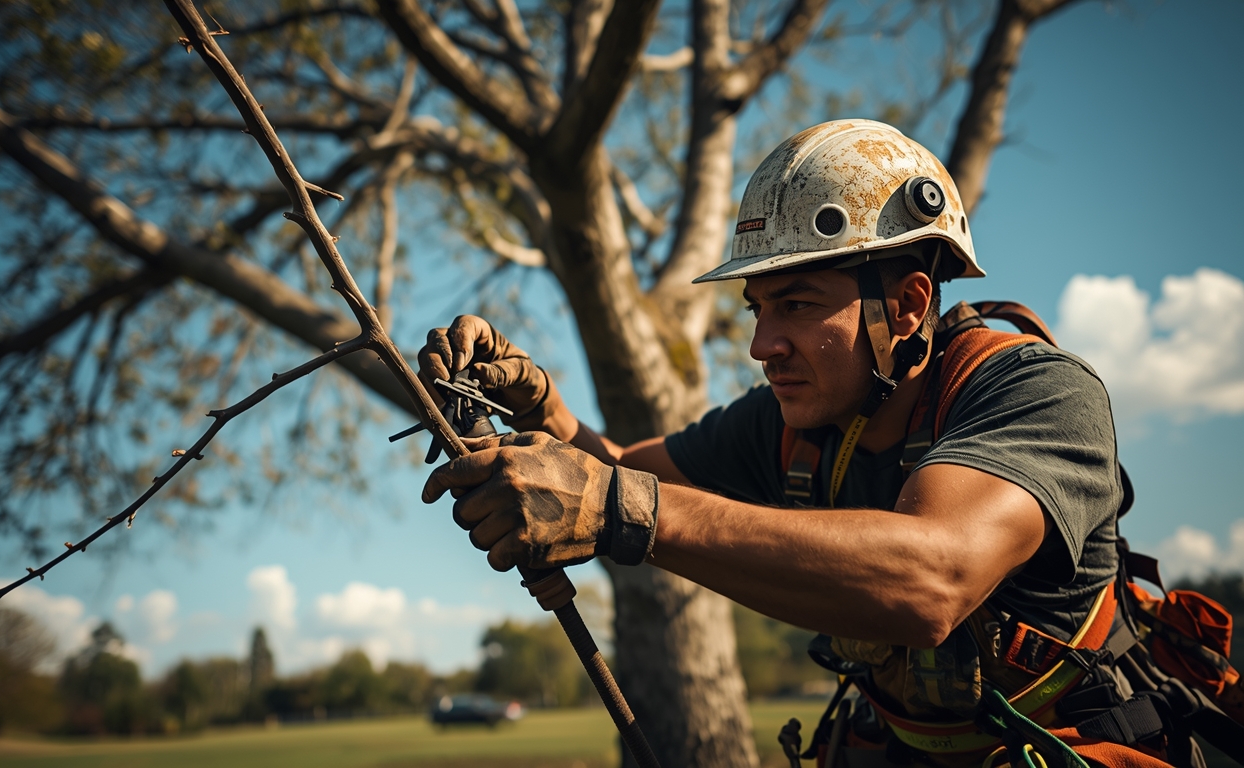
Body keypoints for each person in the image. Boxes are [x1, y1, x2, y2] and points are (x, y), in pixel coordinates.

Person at [416, 120, 1177, 767]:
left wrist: (628, 510)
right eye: (757, 308)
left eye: (796, 304)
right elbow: (612, 475)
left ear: (908, 305)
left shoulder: (1035, 394)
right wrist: (542, 406)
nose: (761, 344)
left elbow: (933, 580)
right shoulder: (795, 427)